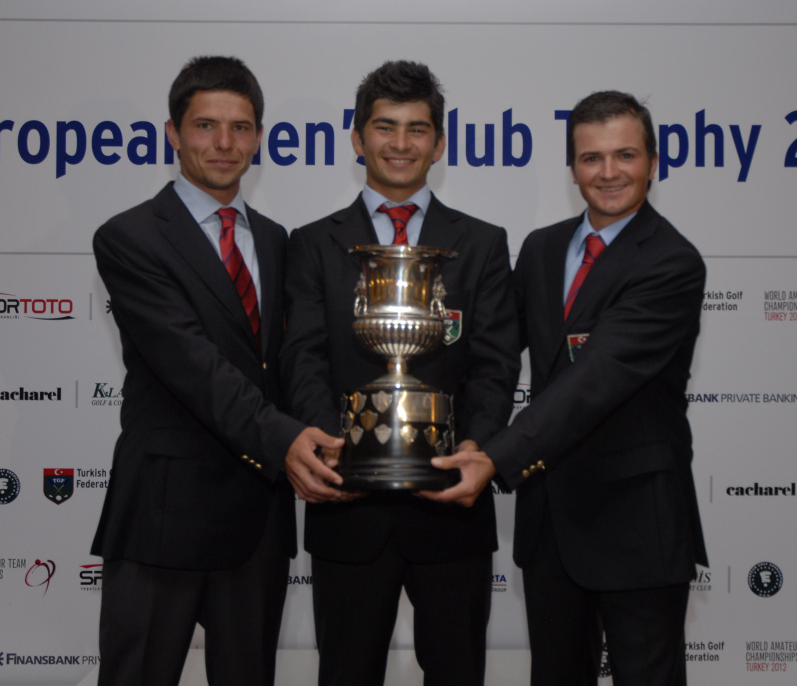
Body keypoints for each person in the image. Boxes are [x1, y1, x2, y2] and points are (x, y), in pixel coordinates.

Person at [432, 91, 708, 685]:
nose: (608, 172)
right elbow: (492, 349)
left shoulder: (672, 262)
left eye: (625, 155)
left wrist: (494, 456)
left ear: (653, 163)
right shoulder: (543, 248)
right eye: (591, 158)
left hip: (636, 522)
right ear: (573, 167)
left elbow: (595, 380)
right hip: (552, 521)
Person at [91, 56, 343, 686]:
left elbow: (292, 361)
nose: (225, 143)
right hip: (163, 513)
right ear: (173, 134)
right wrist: (287, 440)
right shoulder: (130, 237)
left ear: (258, 138)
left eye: (241, 127)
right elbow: (192, 364)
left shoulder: (277, 239)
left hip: (257, 519)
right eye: (206, 126)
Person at [283, 60, 520, 686]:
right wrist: (332, 447)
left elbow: (496, 365)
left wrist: (474, 447)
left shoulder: (482, 243)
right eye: (385, 127)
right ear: (357, 138)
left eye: (417, 129)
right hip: (346, 507)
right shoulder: (312, 243)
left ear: (439, 144)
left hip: (451, 506)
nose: (400, 143)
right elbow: (302, 357)